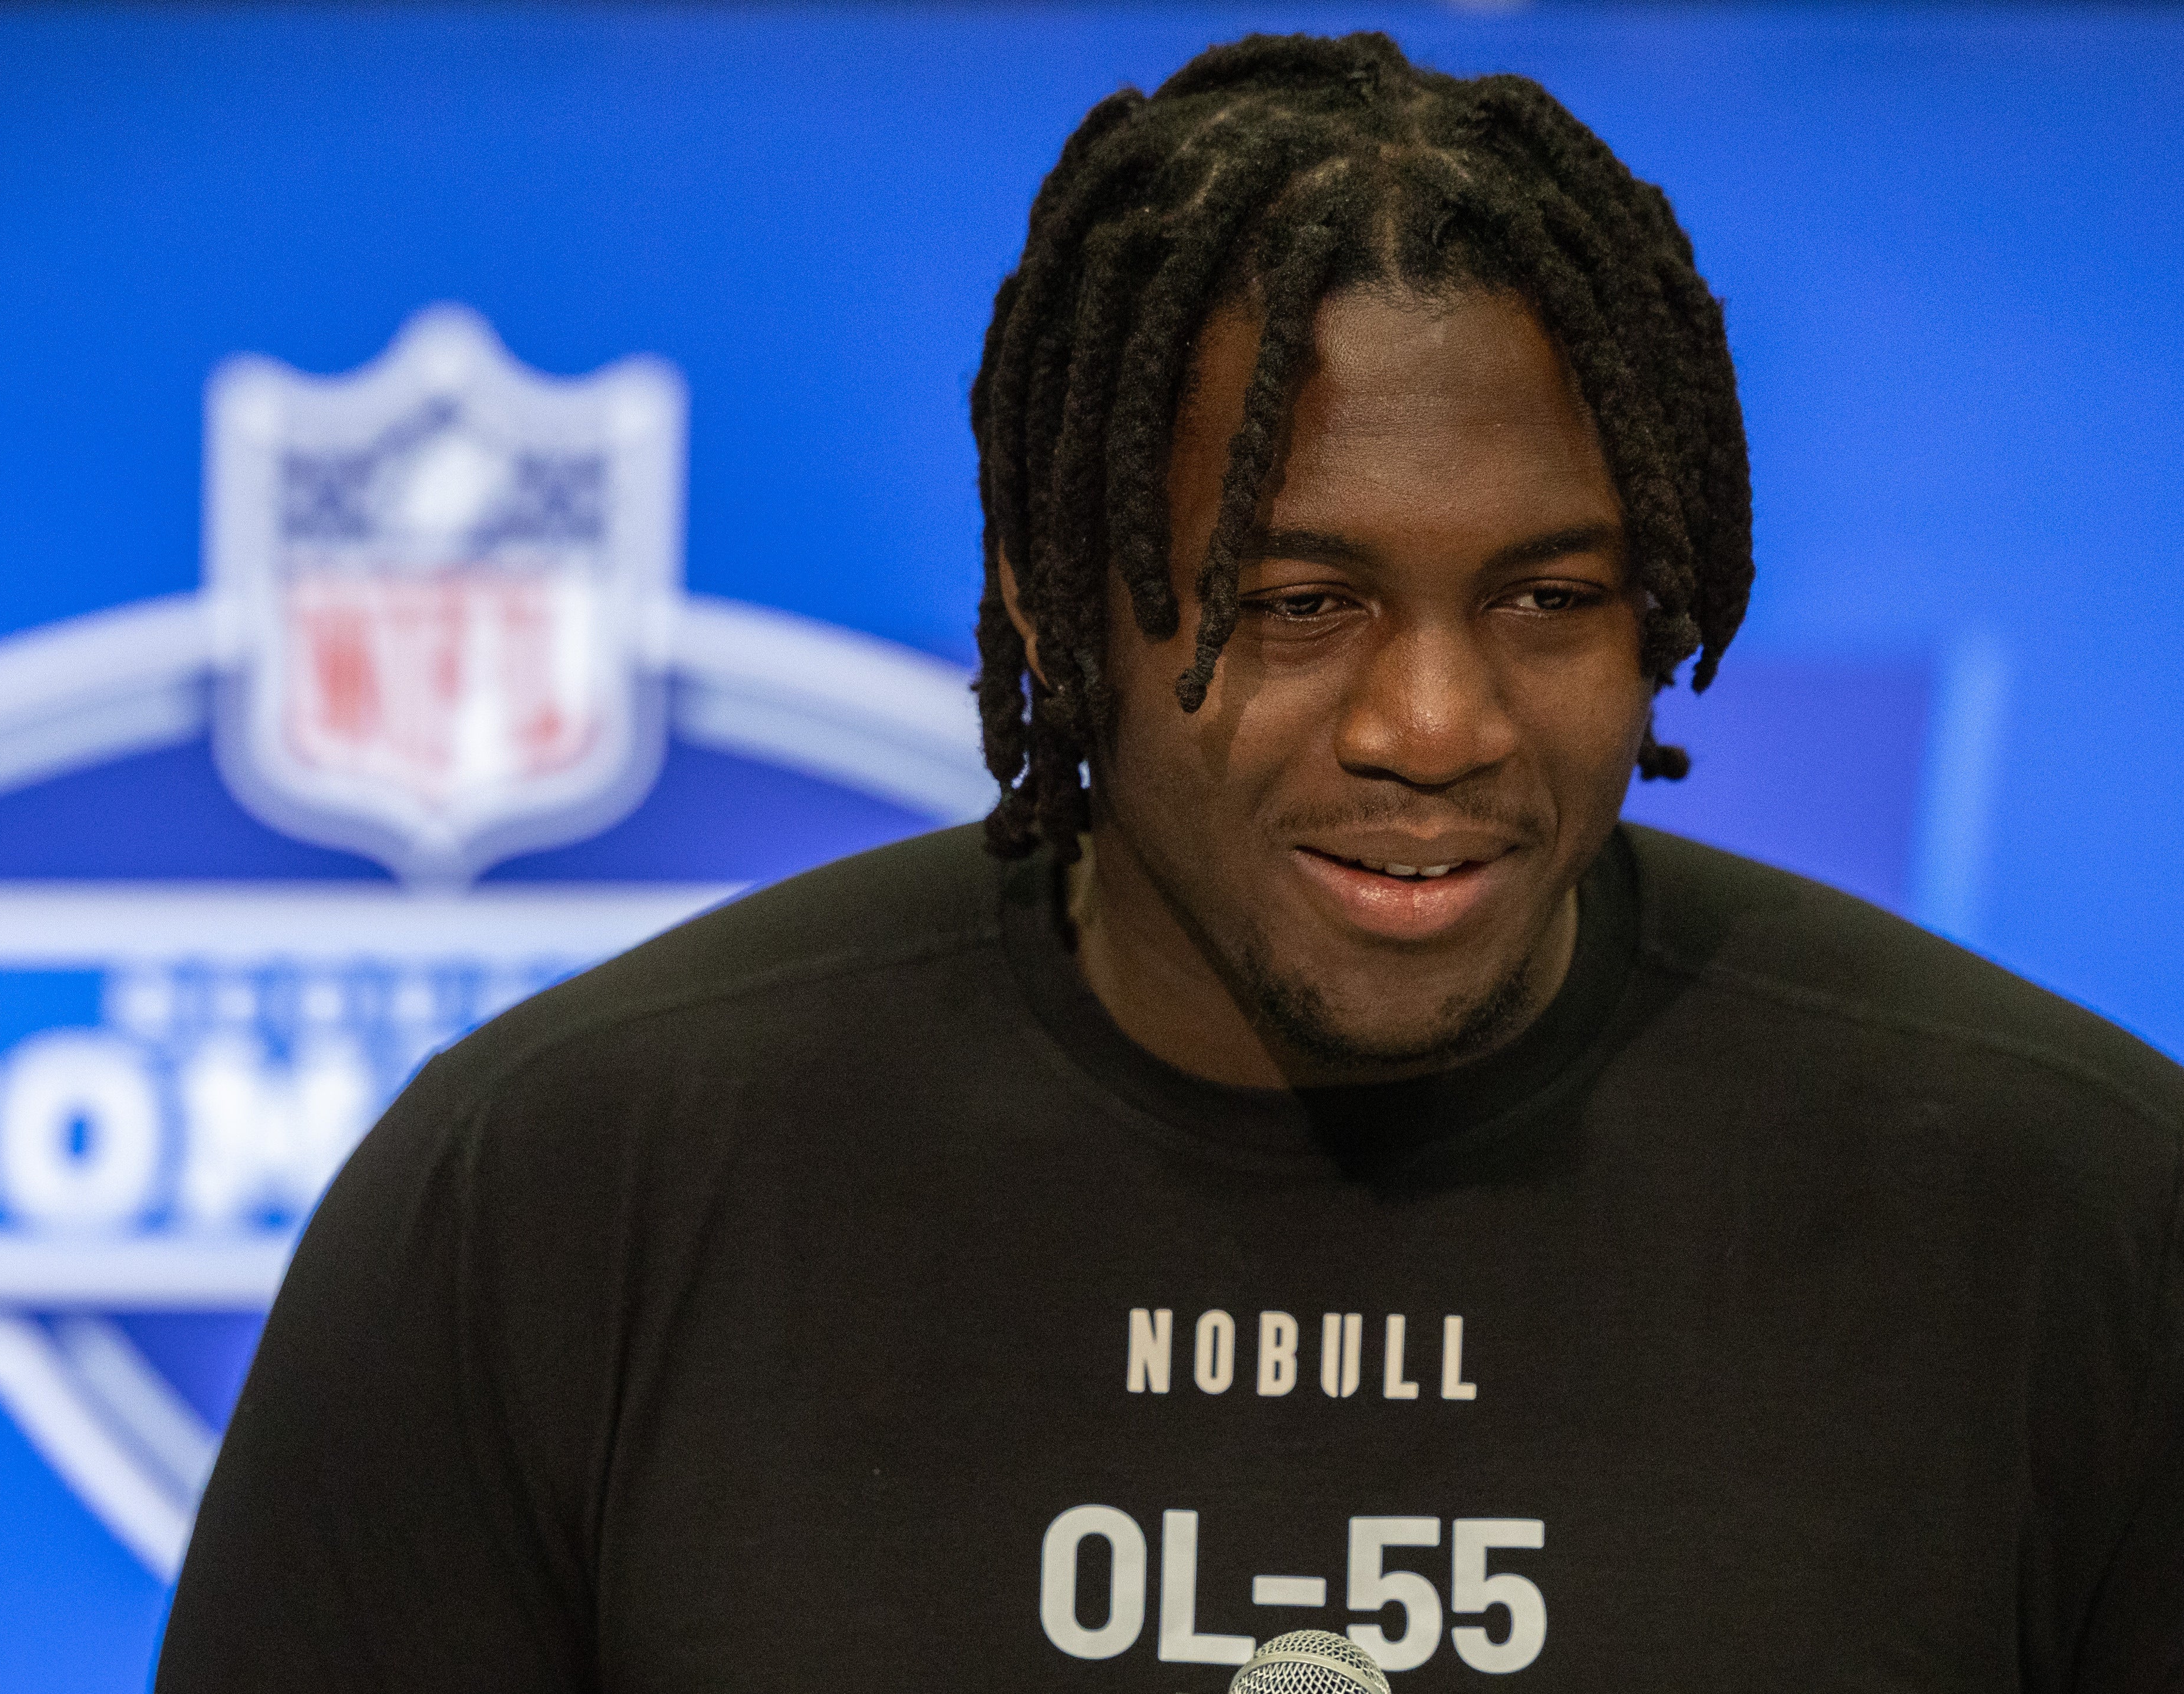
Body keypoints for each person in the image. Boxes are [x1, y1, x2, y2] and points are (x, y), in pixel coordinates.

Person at [157, 32, 2183, 1692]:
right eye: (1292, 602)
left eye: (1549, 597)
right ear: (1055, 606)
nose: (1435, 721)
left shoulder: (2076, 1215)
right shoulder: (557, 1193)